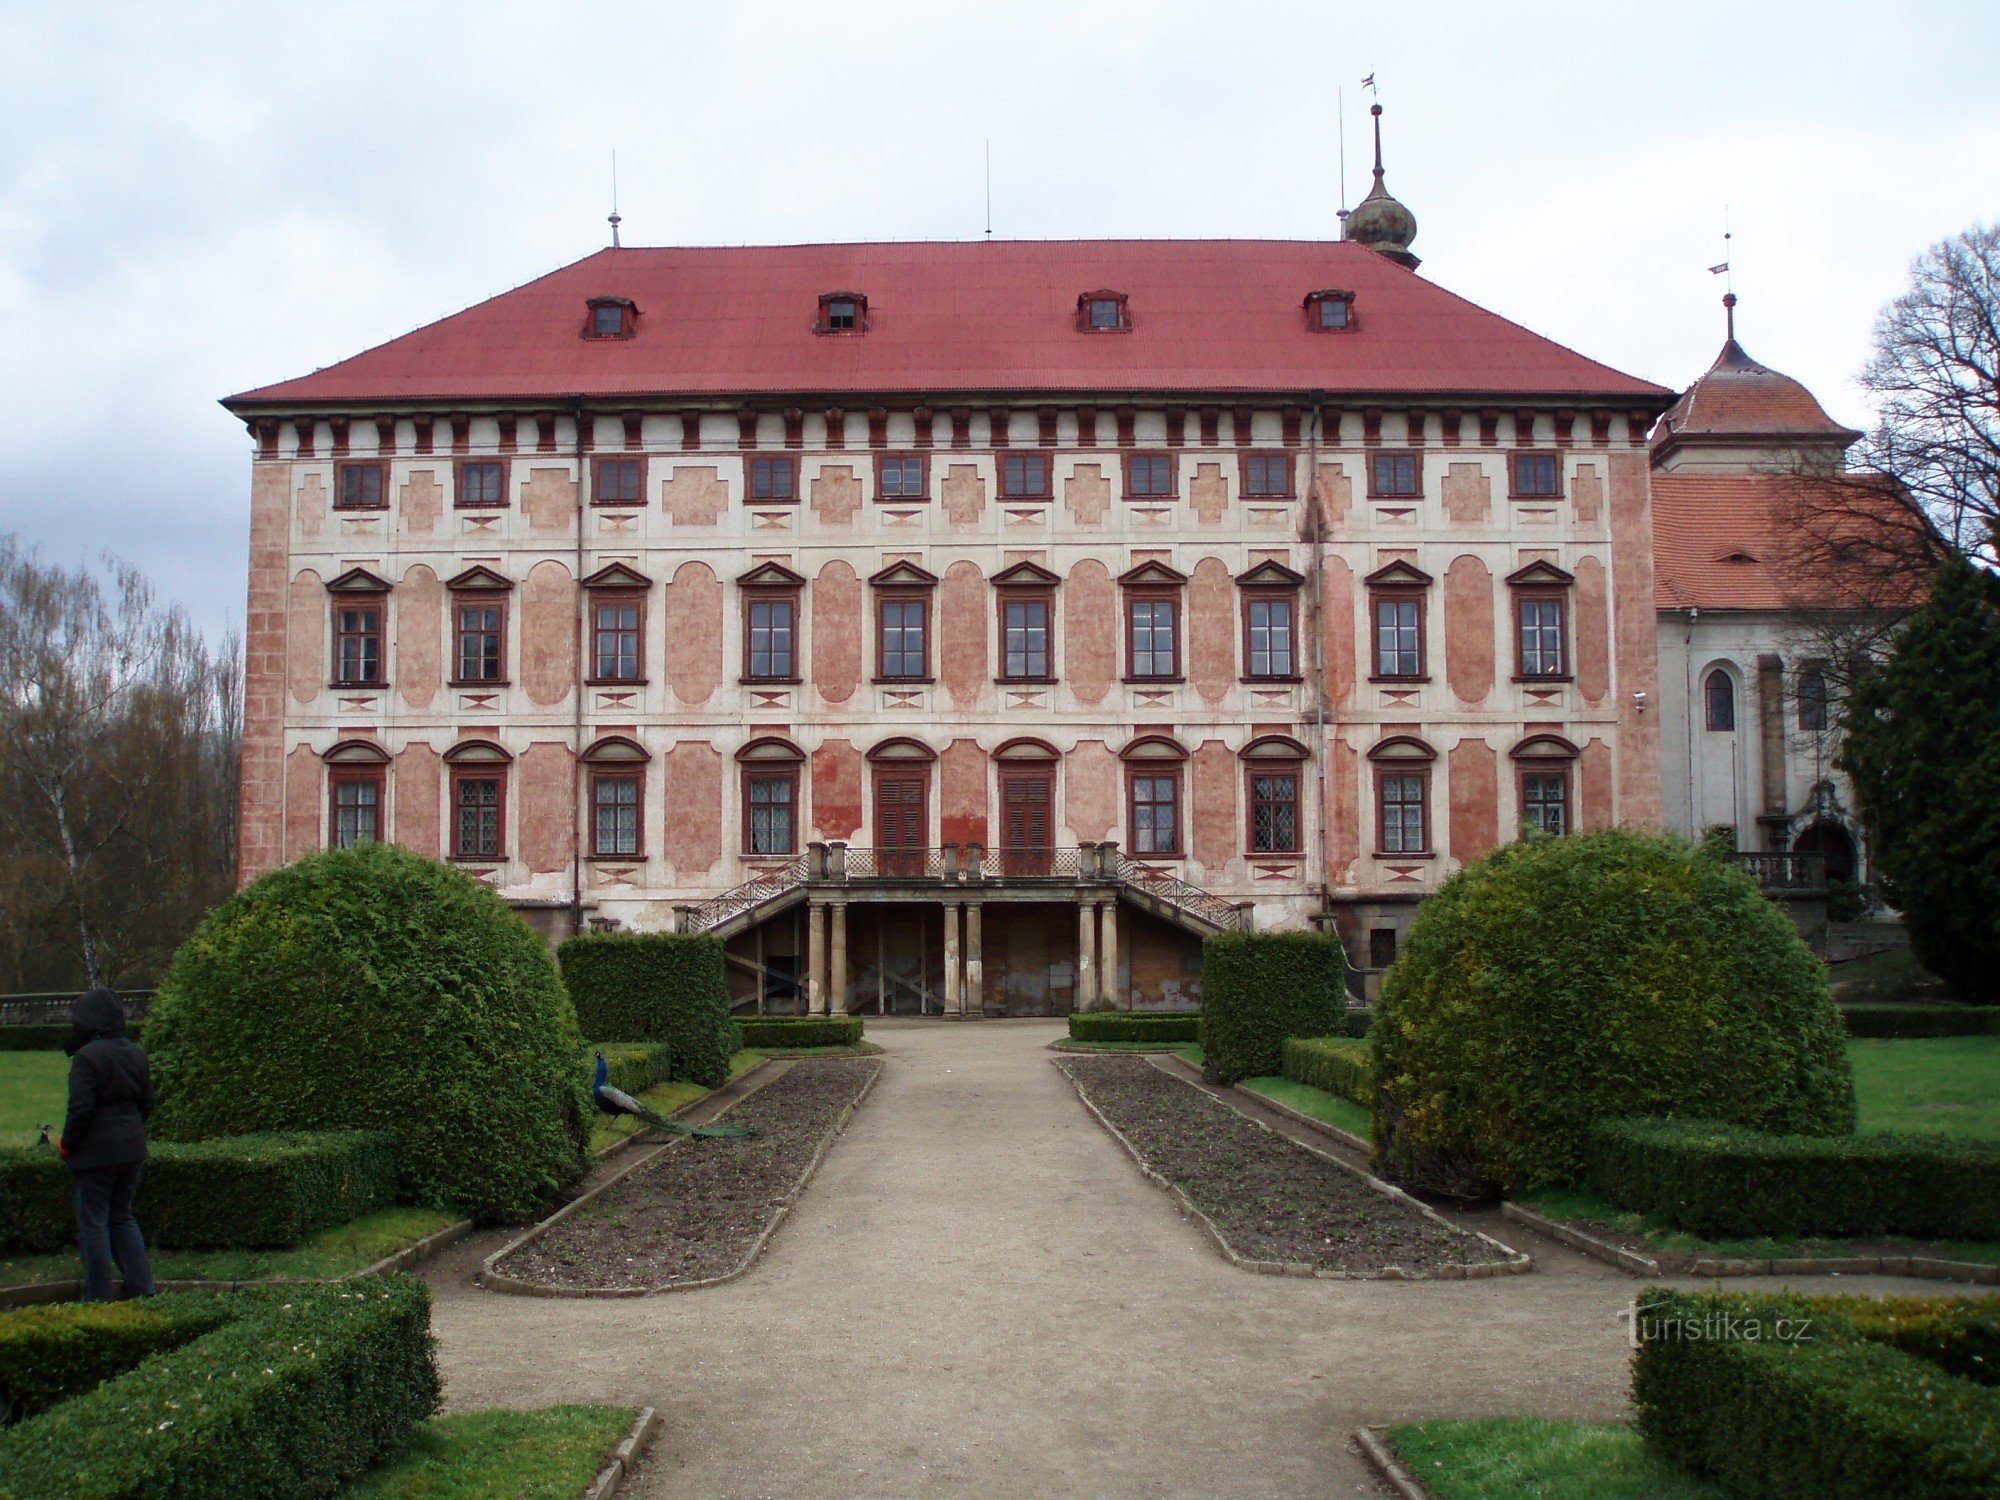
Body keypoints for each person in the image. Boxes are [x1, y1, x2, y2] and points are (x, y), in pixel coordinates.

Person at [57, 987, 157, 1300]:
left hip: (96, 1153)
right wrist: (129, 1131)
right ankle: (142, 1288)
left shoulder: (87, 1057)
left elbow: (81, 1110)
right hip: (131, 1147)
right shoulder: (135, 1052)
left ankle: (98, 1294)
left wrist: (67, 1144)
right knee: (122, 1216)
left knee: (93, 1221)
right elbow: (147, 1103)